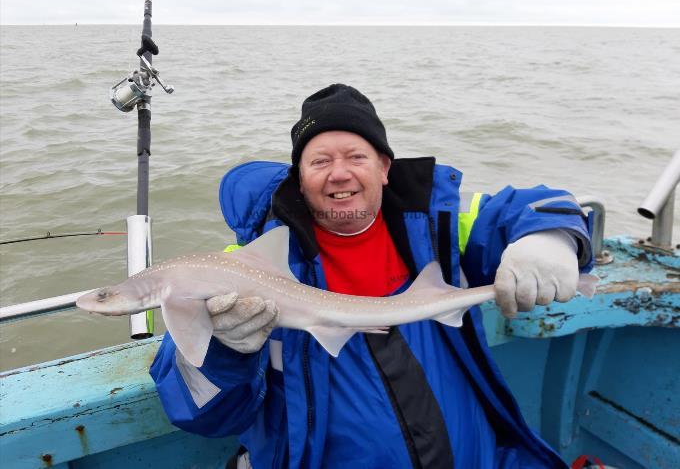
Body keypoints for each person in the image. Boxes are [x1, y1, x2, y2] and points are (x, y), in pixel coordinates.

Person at [151, 84, 593, 468]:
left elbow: (531, 205)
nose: (339, 173)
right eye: (319, 161)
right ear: (299, 178)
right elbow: (201, 413)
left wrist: (551, 235)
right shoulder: (240, 269)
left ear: (384, 167)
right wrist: (226, 351)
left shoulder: (439, 227)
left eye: (355, 156)